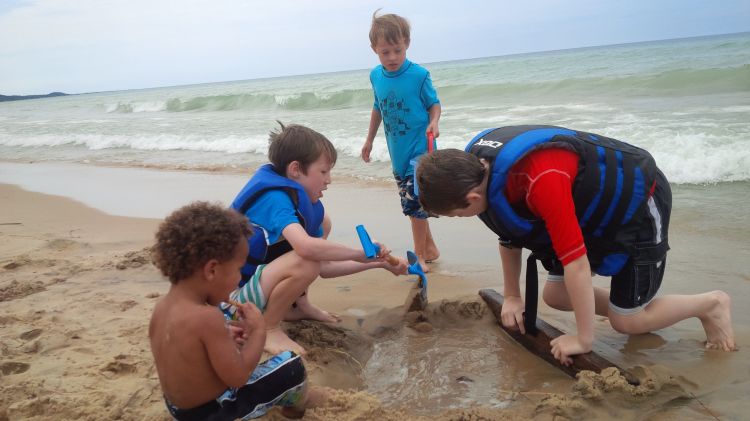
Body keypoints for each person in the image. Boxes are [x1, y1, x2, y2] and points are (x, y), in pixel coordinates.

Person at [415, 125, 737, 365]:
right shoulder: (477, 172)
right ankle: (630, 305)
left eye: (457, 215)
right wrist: (512, 296)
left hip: (639, 203)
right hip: (587, 212)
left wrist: (583, 338)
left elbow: (577, 264)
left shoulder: (541, 182)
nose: (461, 218)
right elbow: (508, 234)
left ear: (472, 198)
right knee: (557, 294)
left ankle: (709, 304)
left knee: (627, 323)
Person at [228, 122, 407, 356]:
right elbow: (307, 251)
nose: (329, 179)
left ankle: (298, 306)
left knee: (323, 226)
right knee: (307, 258)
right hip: (234, 304)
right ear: (295, 170)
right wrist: (356, 253)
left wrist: (377, 262)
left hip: (253, 289)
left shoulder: (296, 203)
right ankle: (269, 327)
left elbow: (325, 267)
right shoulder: (275, 200)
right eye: (323, 172)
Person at [149, 202, 326, 421]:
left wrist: (224, 338)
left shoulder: (163, 307)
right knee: (292, 366)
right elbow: (238, 377)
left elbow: (186, 354)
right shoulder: (208, 318)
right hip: (215, 413)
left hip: (179, 408)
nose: (238, 279)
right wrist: (259, 332)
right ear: (212, 270)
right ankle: (296, 409)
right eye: (238, 270)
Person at [360, 10, 441, 272]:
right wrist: (369, 140)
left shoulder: (419, 75)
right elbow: (377, 107)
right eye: (385, 52)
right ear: (374, 49)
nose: (392, 57)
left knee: (414, 202)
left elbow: (434, 104)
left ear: (407, 42)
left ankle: (420, 256)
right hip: (398, 152)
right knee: (411, 203)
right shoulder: (376, 76)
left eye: (397, 50)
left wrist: (434, 122)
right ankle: (430, 247)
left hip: (421, 150)